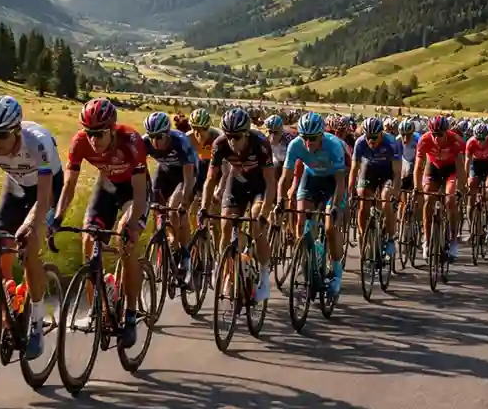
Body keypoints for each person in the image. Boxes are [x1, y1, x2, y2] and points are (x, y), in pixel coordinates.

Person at [0, 95, 61, 359]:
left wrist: (31, 224)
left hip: (47, 189)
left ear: (17, 129)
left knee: (29, 247)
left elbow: (44, 198)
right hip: (16, 187)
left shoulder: (37, 143)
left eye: (3, 135)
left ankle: (36, 325)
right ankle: (10, 318)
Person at [53, 98, 149, 348]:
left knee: (124, 240)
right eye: (89, 133)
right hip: (106, 186)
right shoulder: (80, 142)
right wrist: (57, 218)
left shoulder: (131, 141)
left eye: (98, 134)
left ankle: (129, 314)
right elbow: (69, 185)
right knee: (88, 239)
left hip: (133, 191)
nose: (93, 140)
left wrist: (131, 223)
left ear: (112, 128)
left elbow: (139, 194)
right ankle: (96, 310)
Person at [201, 108, 276, 300]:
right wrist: (204, 207)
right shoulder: (219, 144)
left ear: (246, 133)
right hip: (236, 183)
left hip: (259, 185)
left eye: (236, 136)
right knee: (226, 226)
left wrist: (265, 211)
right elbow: (210, 179)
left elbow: (270, 181)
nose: (232, 142)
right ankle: (224, 267)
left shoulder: (260, 143)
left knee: (256, 223)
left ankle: (265, 277)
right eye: (229, 136)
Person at [275, 112, 349, 297]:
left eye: (313, 138)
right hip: (311, 179)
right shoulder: (295, 145)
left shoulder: (334, 146)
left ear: (321, 135)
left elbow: (340, 182)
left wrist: (334, 208)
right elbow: (285, 178)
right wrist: (280, 201)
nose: (308, 143)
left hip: (333, 182)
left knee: (331, 228)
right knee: (301, 221)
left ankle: (337, 273)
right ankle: (307, 261)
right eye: (305, 138)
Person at [142, 111, 199, 285]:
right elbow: (141, 171)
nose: (155, 142)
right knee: (155, 207)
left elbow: (189, 178)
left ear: (167, 133)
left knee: (176, 209)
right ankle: (162, 243)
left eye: (159, 137)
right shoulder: (145, 142)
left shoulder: (180, 142)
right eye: (152, 137)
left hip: (186, 174)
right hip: (165, 172)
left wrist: (183, 203)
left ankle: (186, 256)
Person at [415, 114, 465, 261]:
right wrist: (418, 188)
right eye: (434, 134)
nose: (436, 138)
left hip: (451, 170)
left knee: (450, 200)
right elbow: (418, 167)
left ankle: (453, 240)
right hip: (433, 169)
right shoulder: (424, 139)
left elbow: (461, 167)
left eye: (440, 135)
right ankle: (427, 240)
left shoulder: (455, 140)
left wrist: (460, 189)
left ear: (446, 132)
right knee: (428, 199)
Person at [351, 116, 402, 258]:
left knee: (386, 199)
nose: (371, 141)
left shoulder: (391, 143)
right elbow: (354, 169)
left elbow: (397, 173)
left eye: (374, 137)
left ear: (381, 134)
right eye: (368, 137)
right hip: (369, 171)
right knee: (362, 199)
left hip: (387, 173)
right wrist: (350, 191)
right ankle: (364, 235)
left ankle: (391, 238)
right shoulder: (360, 143)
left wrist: (396, 192)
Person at [465, 122, 488, 241]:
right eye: (478, 139)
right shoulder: (471, 142)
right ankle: (471, 229)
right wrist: (466, 178)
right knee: (471, 191)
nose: (480, 142)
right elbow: (467, 162)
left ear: (487, 137)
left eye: (482, 139)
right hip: (475, 166)